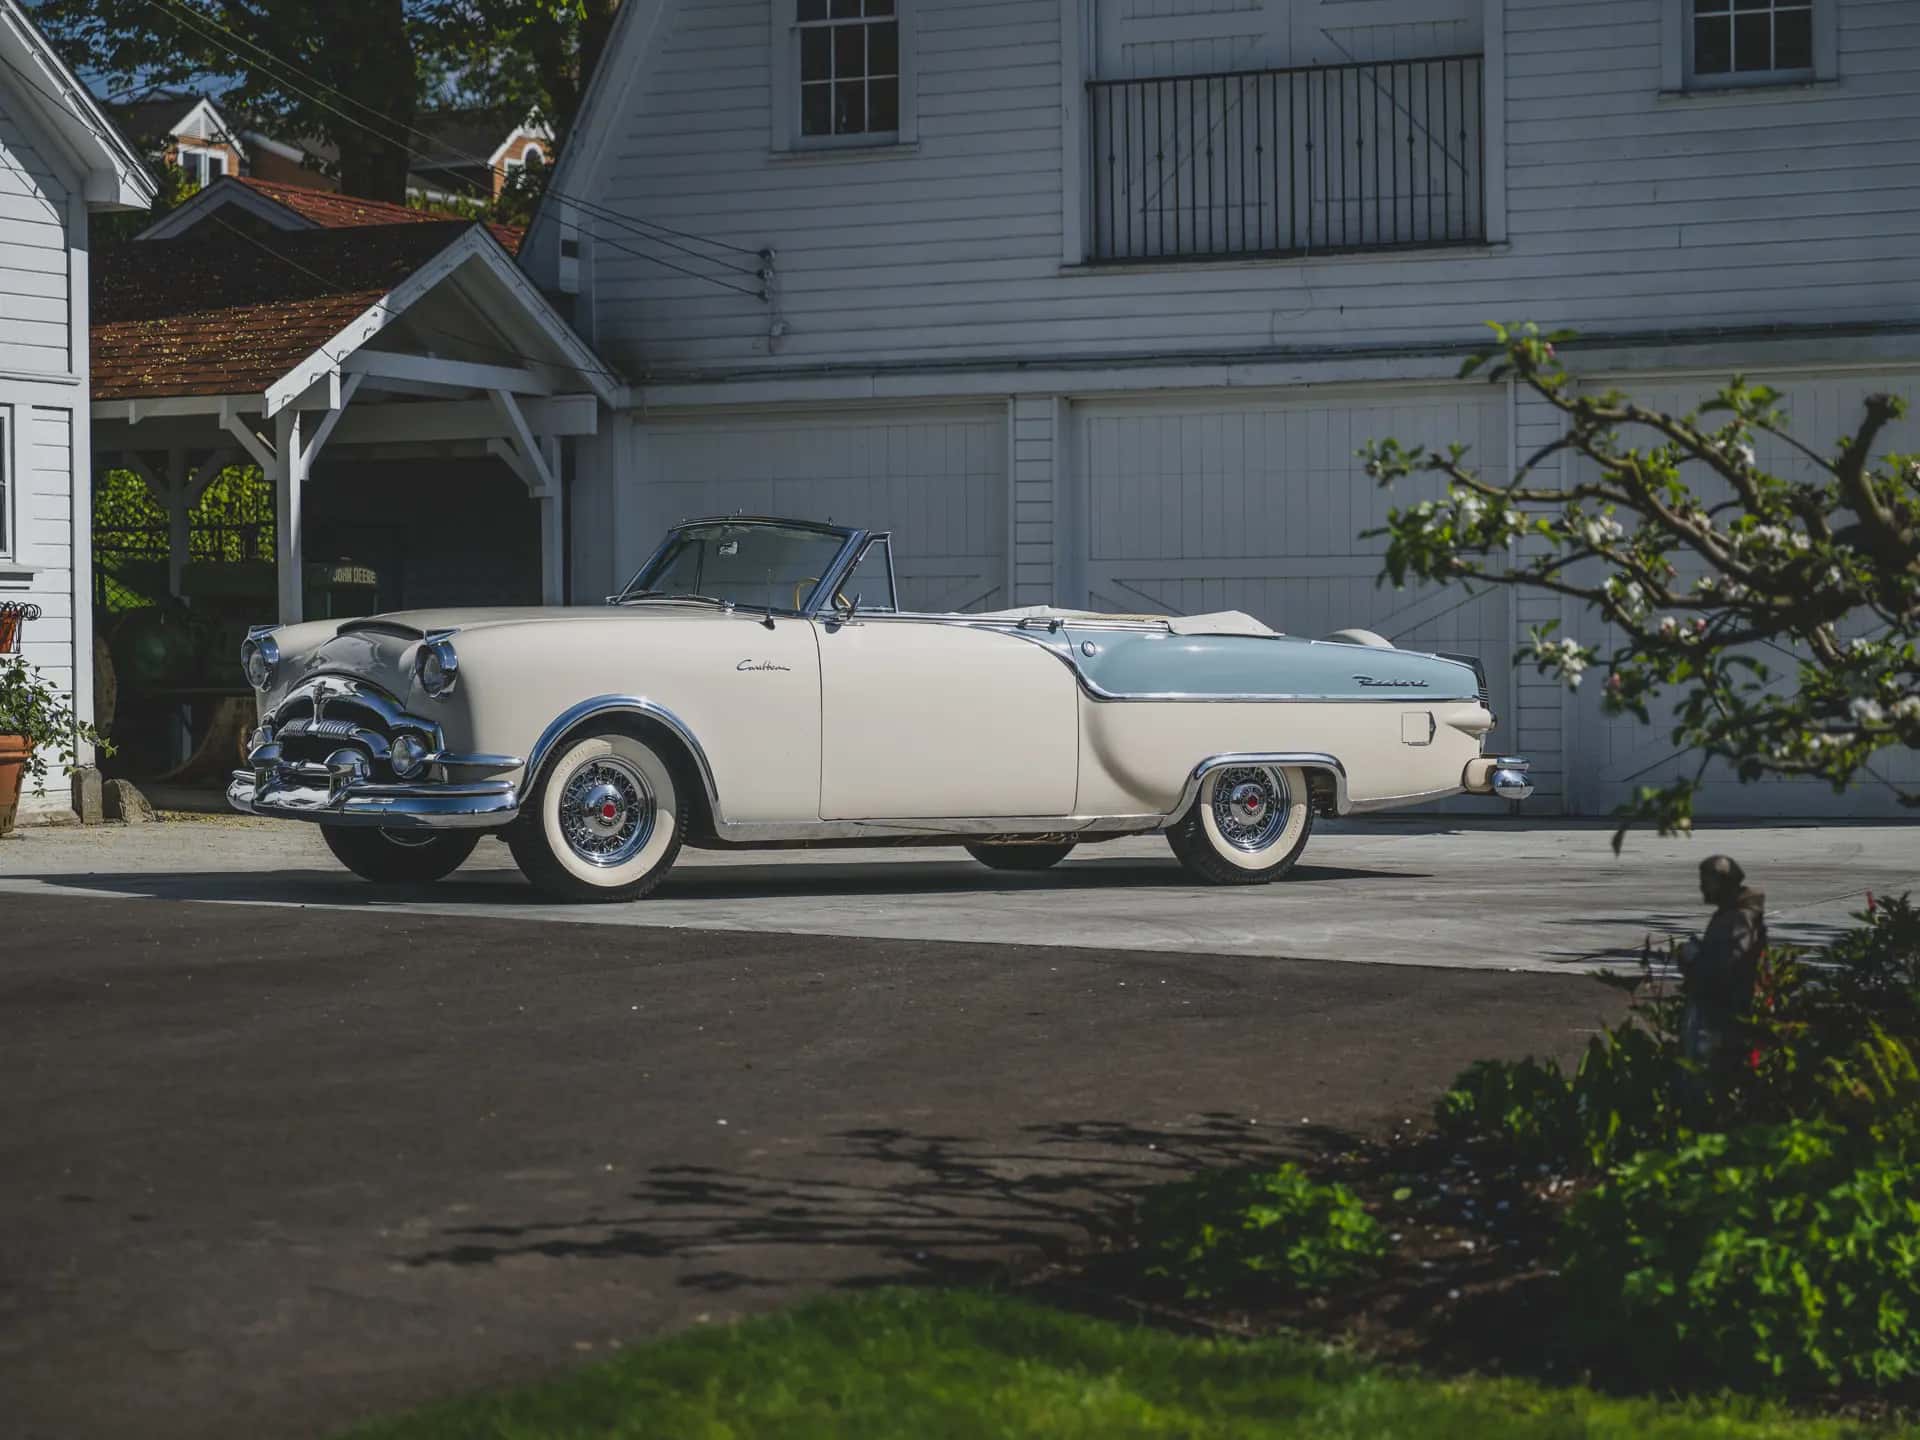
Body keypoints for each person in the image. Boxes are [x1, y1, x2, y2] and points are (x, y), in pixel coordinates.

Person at [1675, 855, 1767, 1113]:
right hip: (1717, 1013)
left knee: (1707, 1090)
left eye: (1708, 882)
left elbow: (1729, 967)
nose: (1703, 888)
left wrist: (1694, 962)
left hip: (1720, 1019)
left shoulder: (1739, 918)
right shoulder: (1731, 914)